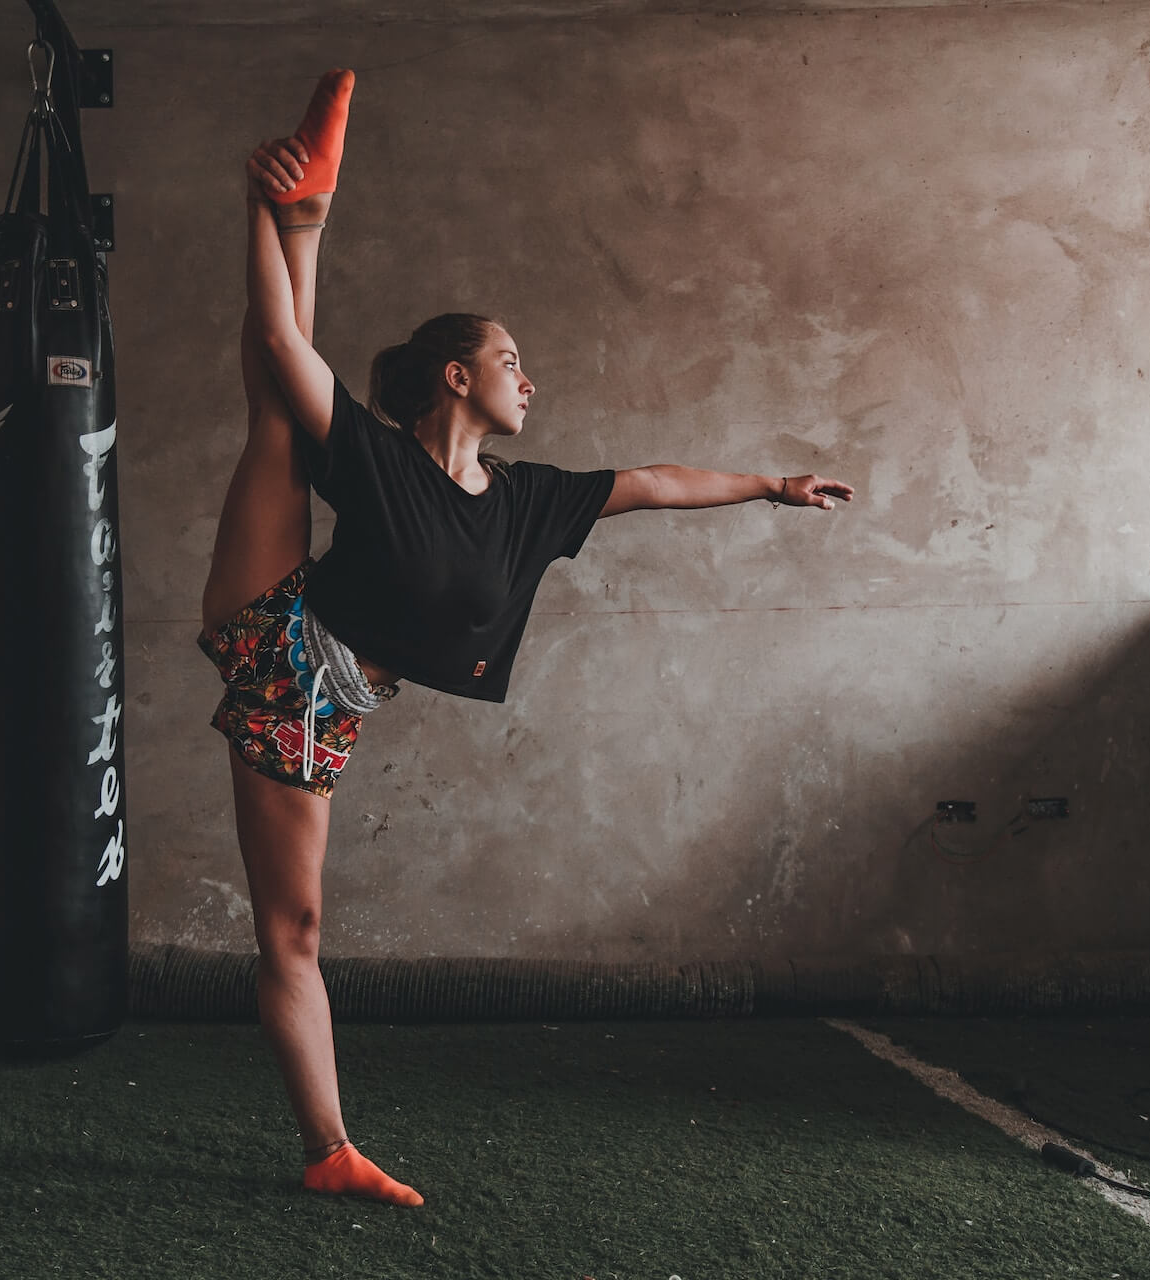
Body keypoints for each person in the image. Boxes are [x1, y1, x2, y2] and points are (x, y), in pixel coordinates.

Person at [198, 69, 855, 1208]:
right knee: (277, 400)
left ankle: (307, 206)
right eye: (511, 361)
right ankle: (300, 204)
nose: (530, 378)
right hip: (284, 662)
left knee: (294, 926)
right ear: (458, 377)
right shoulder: (385, 455)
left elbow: (651, 480)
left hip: (337, 688)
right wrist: (256, 212)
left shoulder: (528, 498)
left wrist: (768, 482)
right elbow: (276, 339)